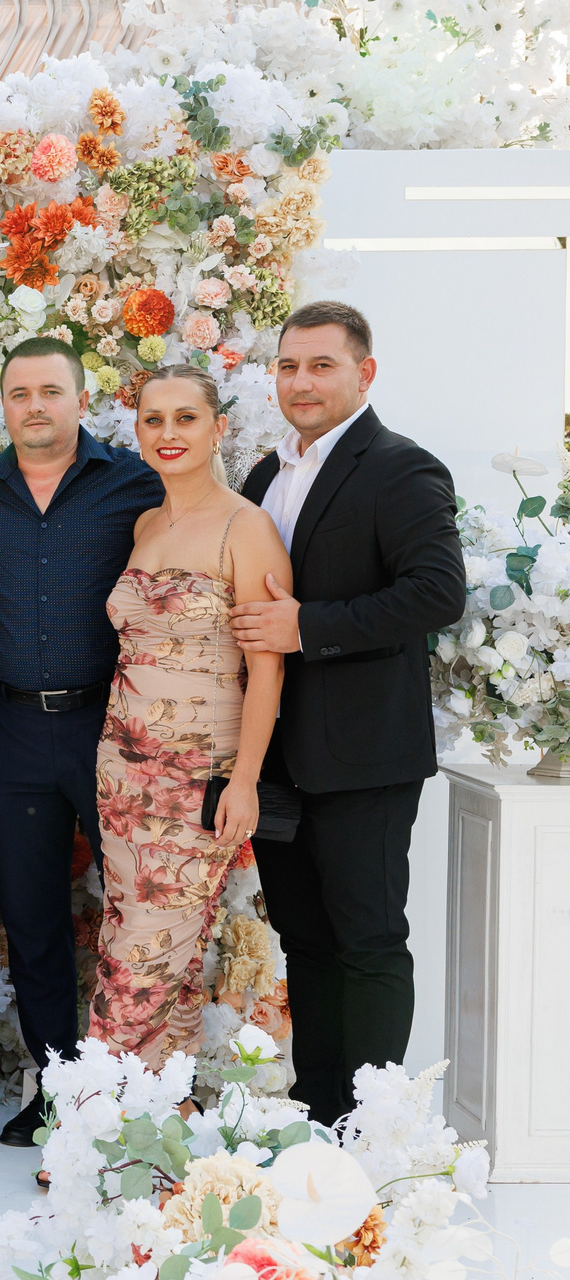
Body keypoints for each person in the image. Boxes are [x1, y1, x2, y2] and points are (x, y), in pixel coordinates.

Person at [233, 302, 466, 1122]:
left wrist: (307, 627)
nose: (301, 382)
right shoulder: (263, 477)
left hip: (365, 755)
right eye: (289, 366)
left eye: (322, 365)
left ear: (364, 374)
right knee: (305, 942)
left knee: (368, 942)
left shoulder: (401, 468)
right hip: (278, 756)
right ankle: (318, 1111)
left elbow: (436, 594)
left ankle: (375, 1130)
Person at [0, 336, 163, 1147]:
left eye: (51, 391)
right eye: (20, 394)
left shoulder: (136, 483)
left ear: (82, 399)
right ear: (4, 405)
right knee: (32, 916)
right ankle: (54, 1092)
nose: (35, 406)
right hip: (9, 727)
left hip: (108, 726)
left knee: (137, 911)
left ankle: (134, 1095)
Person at [89, 366, 289, 1067]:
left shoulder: (247, 526)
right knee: (134, 938)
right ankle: (166, 1111)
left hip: (198, 776)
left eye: (186, 418)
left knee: (144, 955)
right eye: (154, 420)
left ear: (218, 428)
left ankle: (102, 1108)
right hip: (121, 772)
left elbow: (267, 668)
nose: (168, 433)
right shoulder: (146, 523)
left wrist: (246, 781)